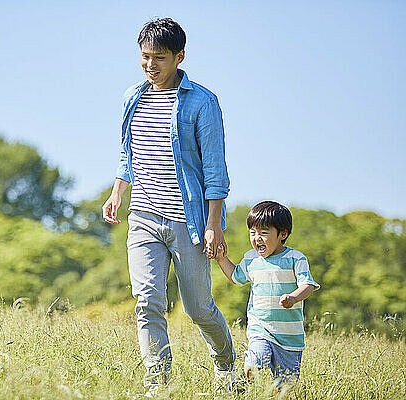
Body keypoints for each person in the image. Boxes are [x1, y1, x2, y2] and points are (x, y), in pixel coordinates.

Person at [101, 18, 236, 393]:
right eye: (144, 57)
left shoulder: (203, 102)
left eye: (159, 58)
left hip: (188, 221)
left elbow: (215, 168)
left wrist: (214, 222)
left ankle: (226, 364)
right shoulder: (133, 97)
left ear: (180, 56)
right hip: (143, 215)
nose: (150, 65)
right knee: (147, 301)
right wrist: (117, 192)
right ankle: (158, 383)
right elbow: (127, 152)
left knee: (198, 308)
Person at [214, 201, 320, 387]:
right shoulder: (251, 259)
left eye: (263, 233)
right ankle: (246, 390)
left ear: (283, 234)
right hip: (260, 329)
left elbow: (308, 285)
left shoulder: (295, 258)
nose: (257, 238)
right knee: (253, 365)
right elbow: (235, 276)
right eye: (253, 233)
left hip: (289, 336)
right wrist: (221, 258)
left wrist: (293, 297)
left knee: (285, 388)